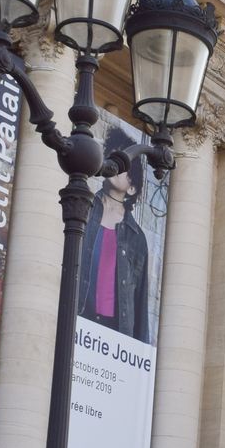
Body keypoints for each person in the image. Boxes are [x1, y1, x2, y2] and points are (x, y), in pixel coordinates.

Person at [77, 130, 151, 342]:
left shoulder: (137, 238)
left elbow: (140, 299)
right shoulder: (84, 207)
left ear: (132, 187)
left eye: (125, 166)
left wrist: (139, 349)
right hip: (79, 317)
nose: (117, 165)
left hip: (115, 333)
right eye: (114, 157)